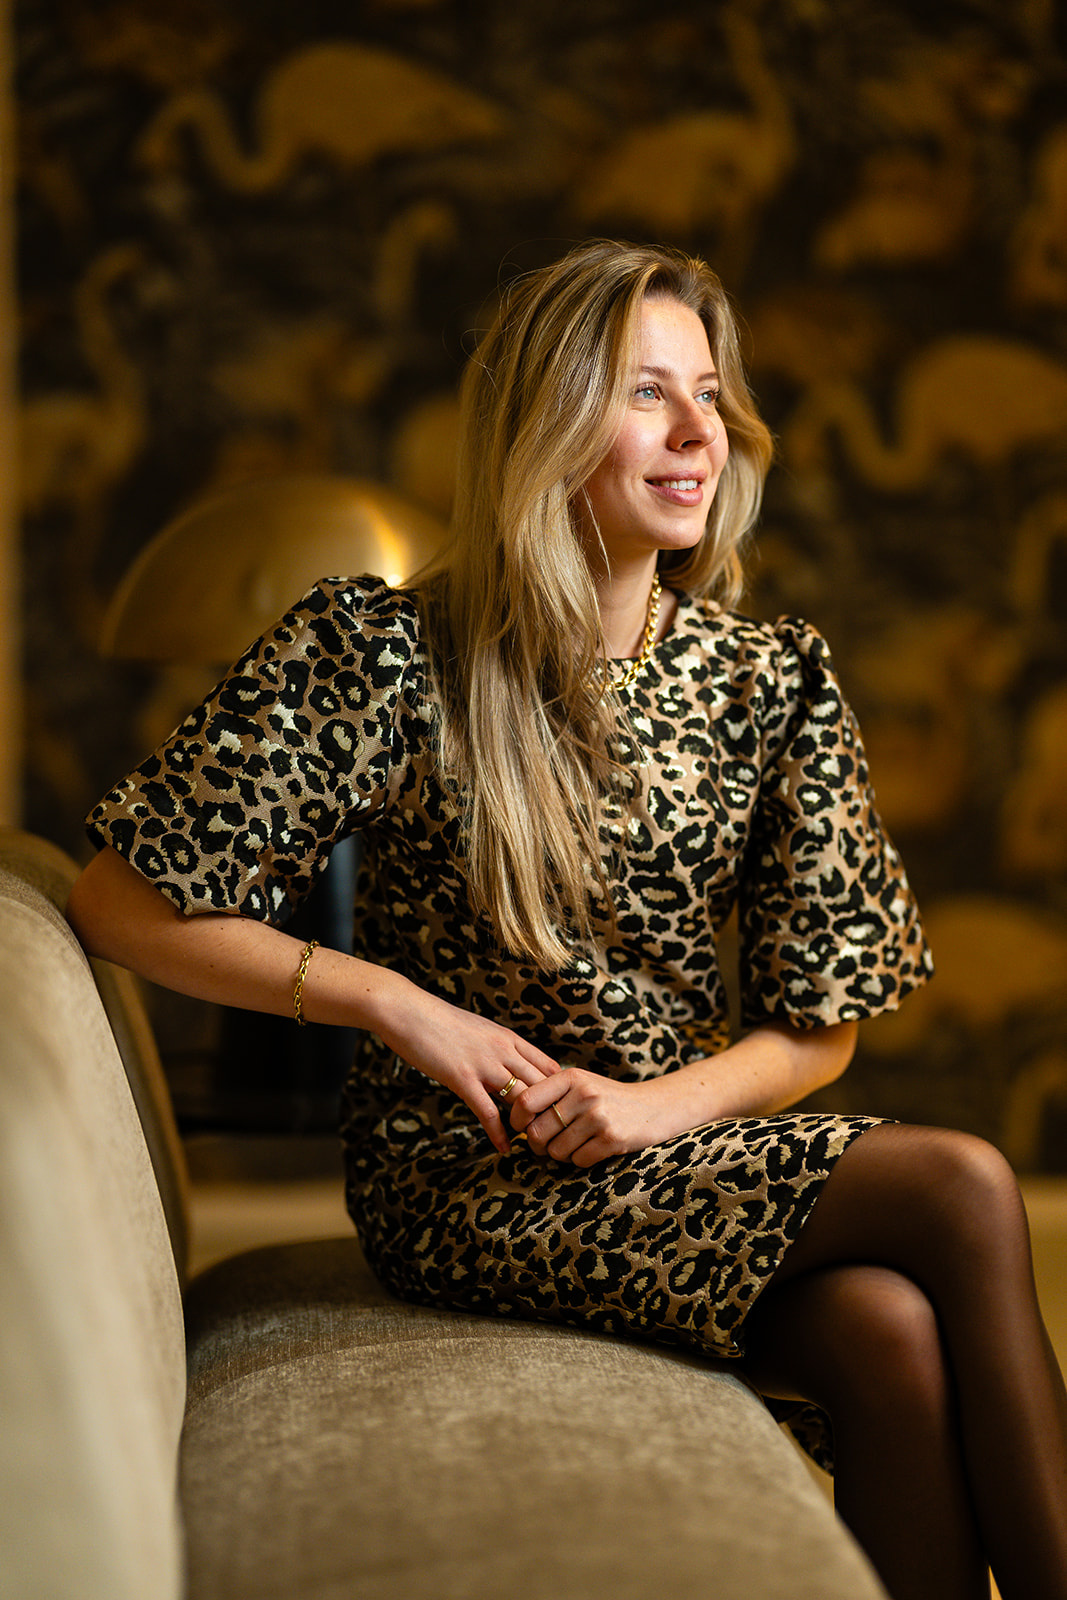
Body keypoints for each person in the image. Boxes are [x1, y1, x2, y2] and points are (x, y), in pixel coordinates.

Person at [67, 239, 1066, 1600]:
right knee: (962, 1185)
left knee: (887, 1331)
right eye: (647, 392)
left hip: (672, 1146)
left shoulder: (769, 680)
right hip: (471, 1180)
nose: (698, 431)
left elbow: (820, 1025)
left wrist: (656, 1111)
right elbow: (119, 900)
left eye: (709, 394)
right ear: (545, 423)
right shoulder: (389, 653)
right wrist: (395, 1005)